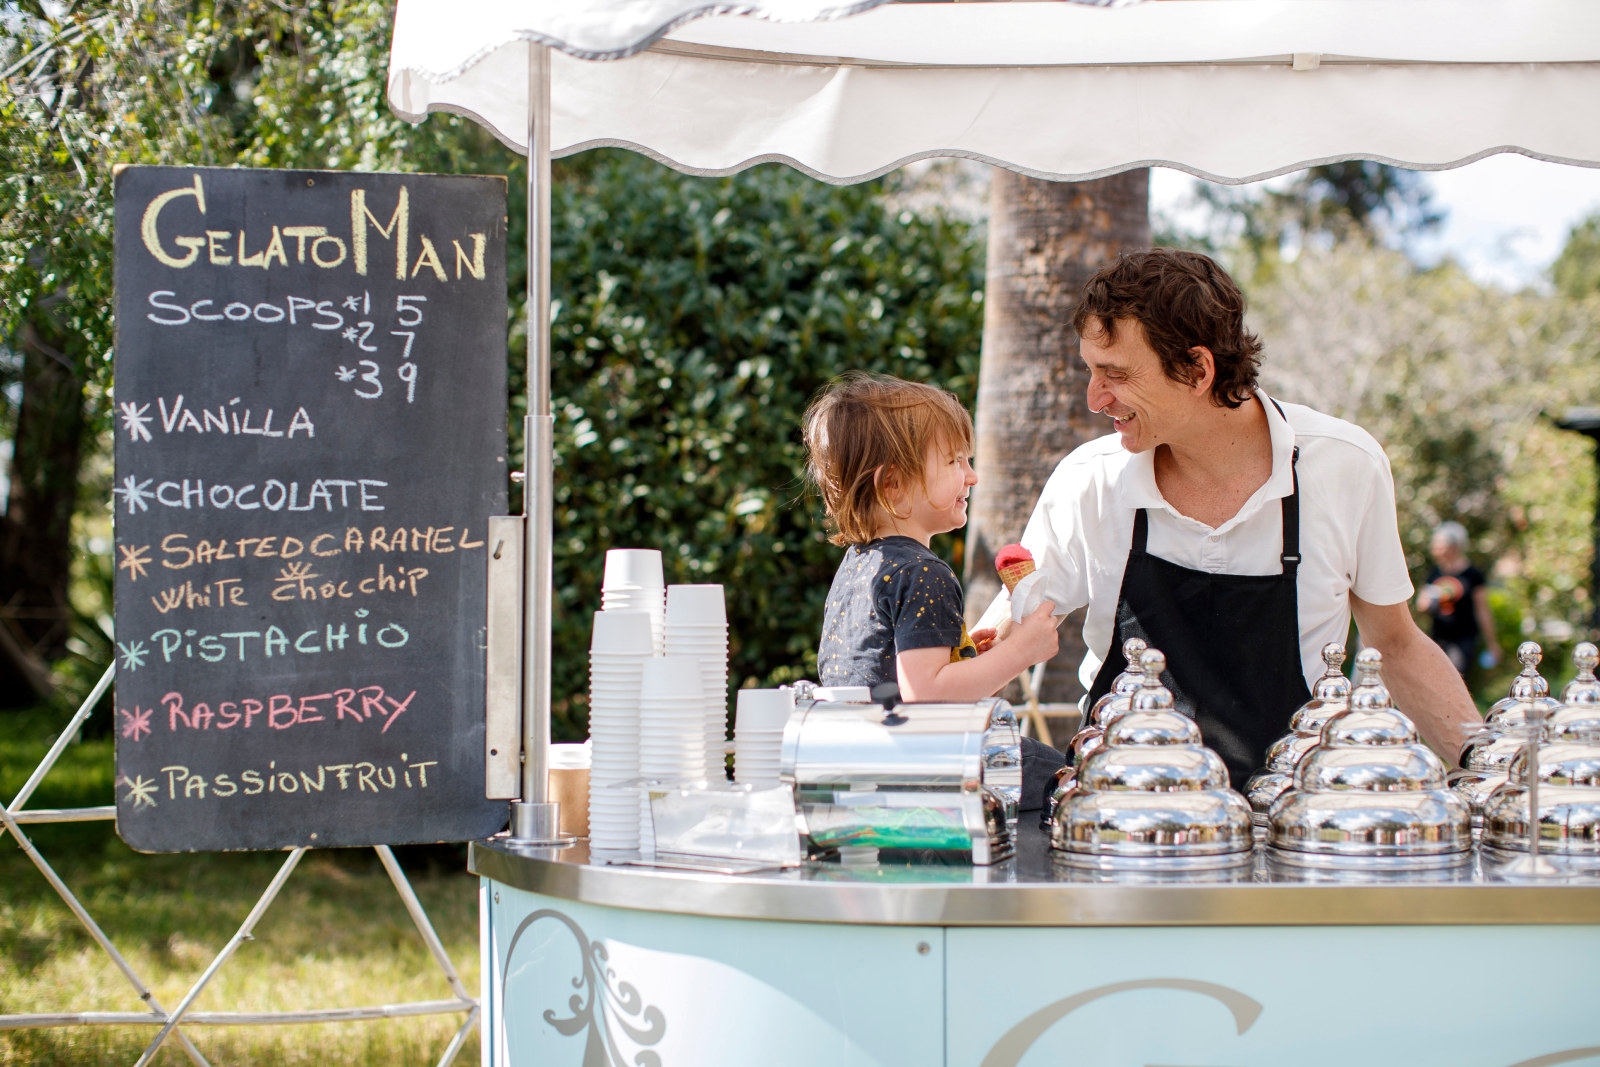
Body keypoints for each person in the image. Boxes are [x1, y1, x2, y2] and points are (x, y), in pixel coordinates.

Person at [977, 248, 1481, 786]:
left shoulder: (1345, 464)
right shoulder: (1091, 478)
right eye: (1091, 371)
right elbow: (1003, 632)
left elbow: (1395, 644)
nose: (1094, 398)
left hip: (1293, 822)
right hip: (1118, 820)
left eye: (1115, 374)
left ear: (1197, 370)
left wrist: (1486, 768)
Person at [803, 372, 1065, 810]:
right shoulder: (925, 573)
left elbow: (889, 670)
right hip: (927, 766)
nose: (973, 476)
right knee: (1066, 780)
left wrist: (964, 658)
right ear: (894, 485)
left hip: (865, 766)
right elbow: (927, 696)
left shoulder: (857, 565)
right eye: (954, 461)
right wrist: (1021, 651)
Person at [1416, 520, 1501, 677]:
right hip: (1439, 637)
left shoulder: (1472, 575)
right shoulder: (1434, 574)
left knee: (1456, 675)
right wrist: (1424, 604)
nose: (1435, 551)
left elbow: (1482, 609)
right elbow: (1422, 603)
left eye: (1440, 547)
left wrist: (1492, 643)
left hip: (1464, 639)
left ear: (1454, 548)